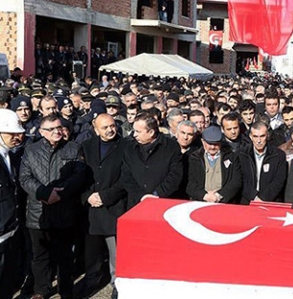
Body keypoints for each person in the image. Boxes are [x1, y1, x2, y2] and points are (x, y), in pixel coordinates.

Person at [20, 114, 86, 299]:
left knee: (64, 256)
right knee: (40, 256)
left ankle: (66, 291)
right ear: (42, 132)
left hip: (64, 210)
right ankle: (42, 290)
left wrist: (60, 193)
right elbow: (25, 177)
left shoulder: (73, 148)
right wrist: (43, 193)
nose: (57, 131)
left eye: (59, 127)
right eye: (51, 129)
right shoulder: (31, 150)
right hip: (38, 212)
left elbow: (79, 175)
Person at [79, 114, 126, 299]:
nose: (110, 130)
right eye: (105, 127)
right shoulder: (86, 146)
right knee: (91, 252)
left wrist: (105, 196)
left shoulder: (125, 146)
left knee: (115, 251)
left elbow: (126, 178)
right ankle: (92, 280)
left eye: (112, 126)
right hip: (90, 208)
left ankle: (117, 283)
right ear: (95, 128)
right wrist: (87, 195)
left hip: (113, 206)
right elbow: (80, 175)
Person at [121, 112, 183, 209]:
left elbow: (175, 175)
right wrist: (141, 196)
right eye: (134, 131)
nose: (134, 135)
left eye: (138, 131)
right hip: (136, 203)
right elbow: (126, 176)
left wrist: (157, 194)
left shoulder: (171, 147)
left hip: (164, 203)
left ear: (151, 132)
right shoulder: (130, 148)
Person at [0, 110, 25, 299]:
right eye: (12, 134)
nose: (18, 137)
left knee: (6, 284)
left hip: (11, 231)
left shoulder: (10, 156)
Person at [186, 126, 242, 203]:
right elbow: (190, 183)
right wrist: (205, 196)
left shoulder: (231, 157)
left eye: (216, 144)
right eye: (209, 144)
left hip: (224, 202)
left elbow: (236, 181)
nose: (212, 147)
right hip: (200, 202)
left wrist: (219, 195)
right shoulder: (194, 158)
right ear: (203, 141)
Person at [238, 121, 288, 204]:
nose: (259, 141)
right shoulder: (242, 154)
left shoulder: (278, 155)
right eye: (255, 136)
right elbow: (241, 179)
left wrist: (263, 198)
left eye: (262, 136)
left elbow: (279, 180)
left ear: (267, 135)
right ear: (251, 137)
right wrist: (254, 197)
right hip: (247, 201)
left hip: (271, 202)